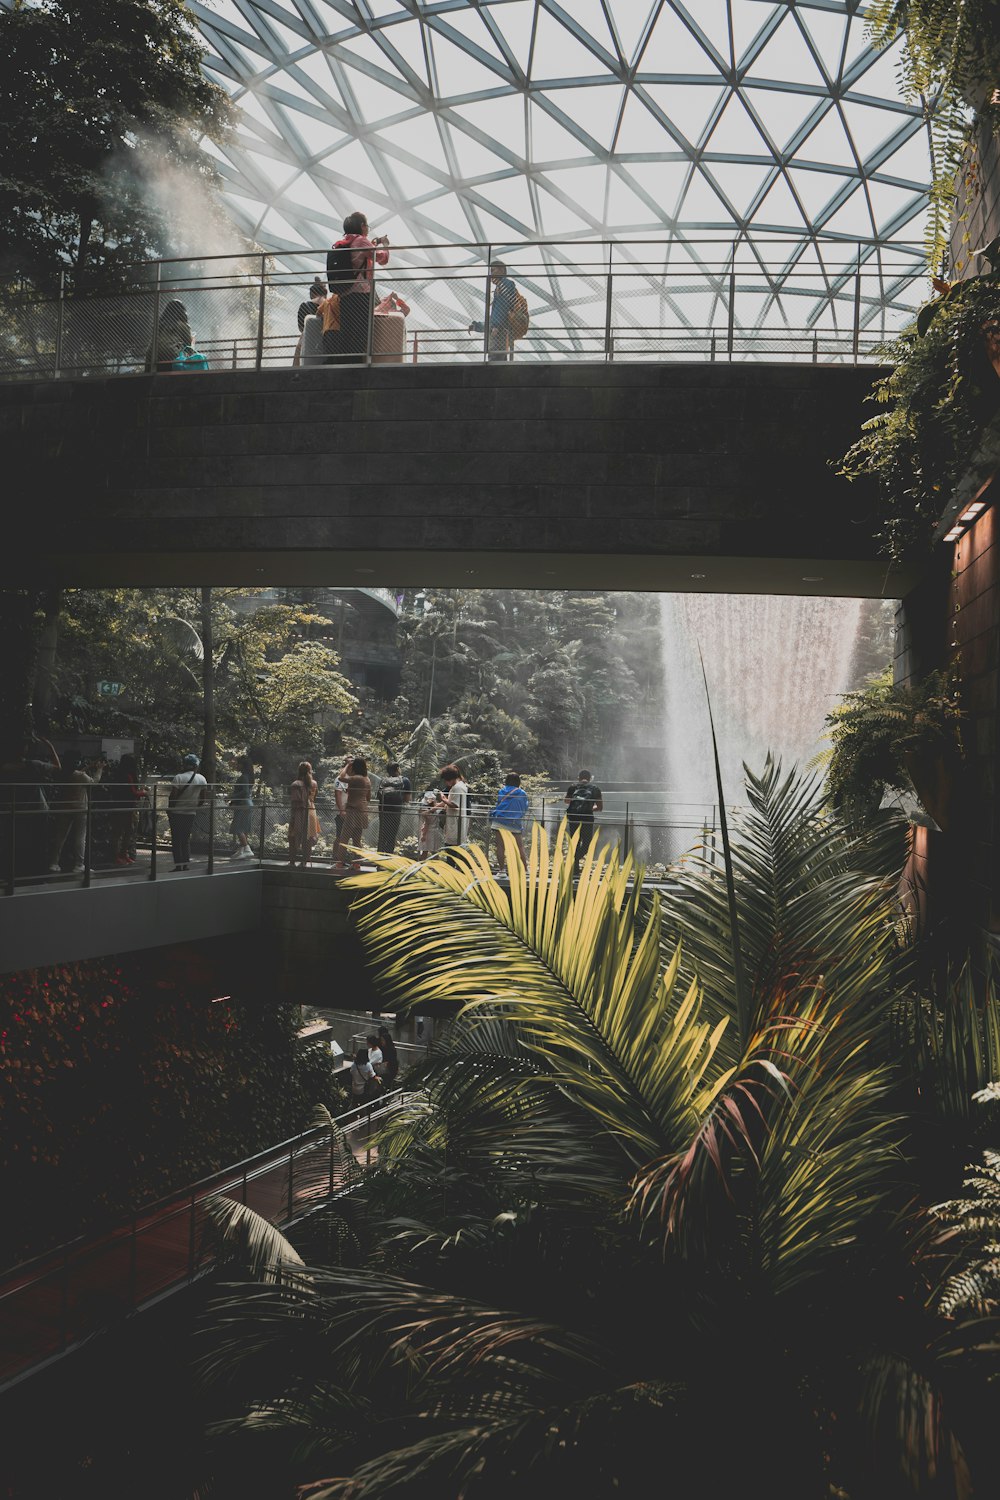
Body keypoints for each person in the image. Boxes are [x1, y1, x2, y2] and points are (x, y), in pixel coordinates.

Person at [327, 211, 389, 364]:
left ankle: (346, 365)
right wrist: (386, 246)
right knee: (361, 332)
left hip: (346, 293)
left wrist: (374, 243)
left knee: (348, 331)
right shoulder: (361, 241)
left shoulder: (347, 241)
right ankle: (356, 366)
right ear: (362, 226)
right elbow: (382, 259)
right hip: (361, 294)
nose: (367, 229)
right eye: (367, 226)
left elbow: (363, 253)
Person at [48, 755, 93, 874]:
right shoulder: (80, 775)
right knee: (80, 838)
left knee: (60, 836)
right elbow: (94, 782)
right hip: (80, 809)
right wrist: (100, 769)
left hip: (65, 807)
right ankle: (79, 865)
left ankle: (54, 863)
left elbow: (75, 776)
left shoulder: (62, 773)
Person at [469, 260, 518, 362]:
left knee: (495, 359)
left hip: (499, 331)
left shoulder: (504, 284)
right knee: (500, 360)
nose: (491, 274)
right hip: (501, 330)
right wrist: (477, 326)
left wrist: (496, 326)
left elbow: (502, 307)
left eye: (493, 270)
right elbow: (496, 314)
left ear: (502, 270)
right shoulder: (501, 287)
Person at [168, 753, 207, 871]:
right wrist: (194, 806)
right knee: (185, 839)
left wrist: (170, 808)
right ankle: (186, 864)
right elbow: (203, 799)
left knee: (176, 840)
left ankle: (177, 865)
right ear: (196, 765)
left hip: (176, 812)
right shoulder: (201, 779)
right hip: (190, 813)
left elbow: (173, 796)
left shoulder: (178, 777)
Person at [332, 756, 372, 868]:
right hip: (363, 810)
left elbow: (341, 778)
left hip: (353, 811)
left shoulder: (356, 778)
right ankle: (357, 863)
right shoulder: (367, 779)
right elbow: (368, 797)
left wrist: (347, 765)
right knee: (357, 839)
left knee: (344, 837)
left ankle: (340, 862)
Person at [107, 753, 145, 866]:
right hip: (126, 807)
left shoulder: (118, 774)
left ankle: (121, 855)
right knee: (124, 831)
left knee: (121, 831)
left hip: (120, 805)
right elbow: (132, 792)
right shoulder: (128, 776)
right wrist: (143, 793)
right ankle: (119, 855)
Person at [488, 772, 530, 872]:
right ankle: (525, 870)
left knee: (500, 846)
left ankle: (502, 870)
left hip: (500, 821)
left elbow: (499, 804)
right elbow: (525, 808)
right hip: (514, 823)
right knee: (519, 846)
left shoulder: (502, 791)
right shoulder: (522, 793)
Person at [564, 769, 603, 872]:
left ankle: (574, 866)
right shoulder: (595, 789)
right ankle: (575, 863)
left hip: (573, 818)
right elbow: (600, 807)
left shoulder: (573, 787)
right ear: (590, 778)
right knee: (587, 843)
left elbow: (566, 801)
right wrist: (589, 808)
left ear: (579, 778)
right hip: (587, 818)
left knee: (575, 842)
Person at [145, 298, 192, 372]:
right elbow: (188, 346)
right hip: (170, 356)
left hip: (151, 355)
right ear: (182, 312)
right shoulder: (182, 325)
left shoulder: (159, 324)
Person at [376, 760, 411, 854]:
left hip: (383, 811)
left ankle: (379, 859)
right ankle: (388, 859)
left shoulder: (383, 780)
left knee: (382, 835)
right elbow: (407, 799)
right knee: (392, 835)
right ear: (398, 769)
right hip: (395, 811)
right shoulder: (405, 780)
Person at [289, 760, 317, 867]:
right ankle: (305, 861)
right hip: (311, 811)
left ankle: (292, 862)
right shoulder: (314, 783)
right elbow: (314, 798)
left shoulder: (296, 784)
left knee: (293, 835)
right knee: (308, 837)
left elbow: (296, 801)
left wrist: (293, 817)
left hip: (299, 812)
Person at [293, 279, 327, 366]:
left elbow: (301, 327)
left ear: (312, 294)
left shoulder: (305, 305)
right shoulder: (329, 304)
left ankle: (295, 373)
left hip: (308, 339)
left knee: (298, 349)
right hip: (326, 338)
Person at [228, 754, 255, 860]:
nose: (236, 766)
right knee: (244, 828)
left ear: (242, 765)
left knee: (237, 827)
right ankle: (242, 850)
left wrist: (231, 797)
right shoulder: (248, 777)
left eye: (238, 764)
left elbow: (244, 792)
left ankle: (247, 848)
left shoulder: (243, 777)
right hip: (247, 804)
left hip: (243, 804)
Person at [439, 764, 469, 848]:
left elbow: (455, 805)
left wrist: (444, 799)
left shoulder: (457, 788)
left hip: (456, 822)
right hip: (455, 822)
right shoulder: (459, 786)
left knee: (452, 847)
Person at [417, 784, 444, 860]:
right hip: (435, 831)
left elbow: (426, 824)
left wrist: (424, 835)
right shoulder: (435, 809)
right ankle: (437, 867)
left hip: (428, 832)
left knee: (425, 851)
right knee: (435, 852)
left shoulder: (427, 811)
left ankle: (420, 866)